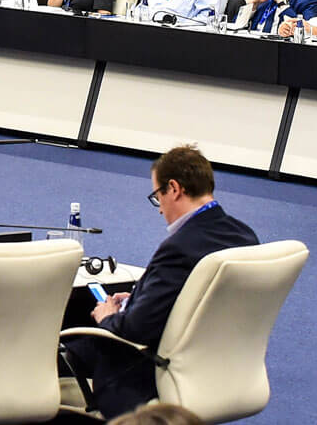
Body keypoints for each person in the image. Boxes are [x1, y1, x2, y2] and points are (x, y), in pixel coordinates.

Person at [63, 146, 257, 418]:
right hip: (220, 366)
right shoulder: (245, 237)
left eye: (157, 196)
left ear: (174, 189)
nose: (159, 210)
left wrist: (108, 316)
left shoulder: (179, 248)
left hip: (148, 374)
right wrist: (135, 299)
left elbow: (135, 329)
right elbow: (199, 298)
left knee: (67, 346)